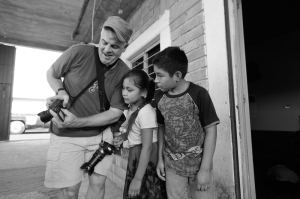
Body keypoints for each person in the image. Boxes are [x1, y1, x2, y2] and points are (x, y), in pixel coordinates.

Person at [44, 16, 133, 199]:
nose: (107, 49)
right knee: (69, 191)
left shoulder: (124, 72)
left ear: (125, 47)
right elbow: (52, 74)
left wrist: (77, 122)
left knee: (98, 185)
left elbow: (115, 113)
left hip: (100, 136)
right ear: (100, 38)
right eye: (104, 42)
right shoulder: (78, 52)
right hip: (66, 136)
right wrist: (61, 92)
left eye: (114, 46)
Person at [153, 46, 220, 199]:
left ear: (177, 75)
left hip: (199, 166)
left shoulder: (199, 94)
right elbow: (161, 129)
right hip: (172, 168)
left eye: (159, 75)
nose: (156, 80)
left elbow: (211, 130)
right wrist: (160, 160)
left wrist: (204, 169)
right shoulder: (159, 97)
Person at [113, 69, 167, 199]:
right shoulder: (131, 108)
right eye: (123, 89)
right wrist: (123, 137)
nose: (124, 93)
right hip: (136, 155)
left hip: (146, 156)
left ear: (143, 92)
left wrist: (137, 179)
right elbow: (134, 131)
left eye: (130, 90)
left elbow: (147, 147)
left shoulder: (145, 112)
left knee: (146, 192)